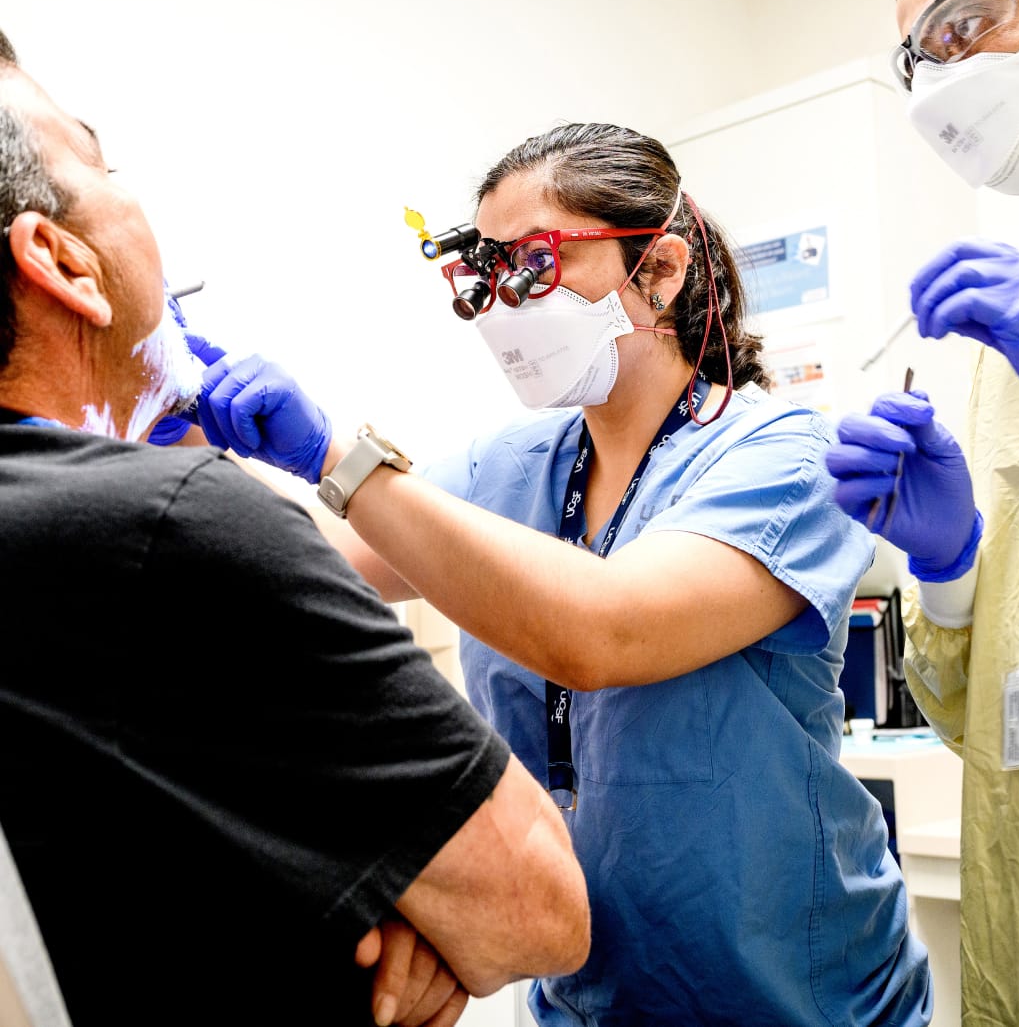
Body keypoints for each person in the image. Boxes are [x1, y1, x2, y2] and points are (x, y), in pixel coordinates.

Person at [171, 121, 934, 1026]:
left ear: (660, 269)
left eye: (534, 266)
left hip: (798, 994)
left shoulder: (784, 451)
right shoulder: (509, 464)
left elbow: (603, 631)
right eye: (485, 275)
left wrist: (337, 452)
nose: (504, 304)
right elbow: (316, 570)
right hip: (590, 997)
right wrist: (192, 436)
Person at [0, 51, 591, 1026]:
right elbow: (542, 908)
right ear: (63, 261)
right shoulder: (168, 524)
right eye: (103, 168)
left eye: (532, 264)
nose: (506, 300)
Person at [824, 0, 1019, 1023]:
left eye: (966, 26)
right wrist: (946, 565)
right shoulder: (1016, 309)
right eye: (920, 59)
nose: (942, 86)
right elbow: (986, 709)